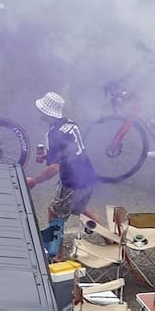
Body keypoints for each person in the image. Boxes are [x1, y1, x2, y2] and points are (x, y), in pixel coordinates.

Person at [26, 92, 98, 225]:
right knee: (79, 208)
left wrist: (34, 181)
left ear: (46, 112)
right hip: (88, 175)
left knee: (54, 213)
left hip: (73, 182)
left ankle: (53, 245)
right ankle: (112, 240)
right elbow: (69, 151)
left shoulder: (53, 134)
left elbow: (54, 168)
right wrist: (48, 155)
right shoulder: (70, 124)